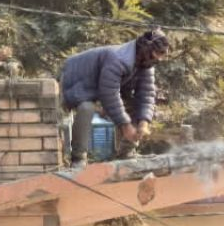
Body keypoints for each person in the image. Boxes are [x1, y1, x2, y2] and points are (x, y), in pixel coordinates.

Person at [60, 27, 170, 167]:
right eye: (153, 56)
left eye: (158, 59)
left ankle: (126, 153)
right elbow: (109, 95)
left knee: (136, 107)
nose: (155, 61)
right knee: (86, 108)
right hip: (77, 79)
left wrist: (144, 122)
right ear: (145, 49)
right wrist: (126, 126)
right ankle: (78, 158)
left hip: (102, 85)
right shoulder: (118, 58)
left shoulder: (147, 64)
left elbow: (146, 95)